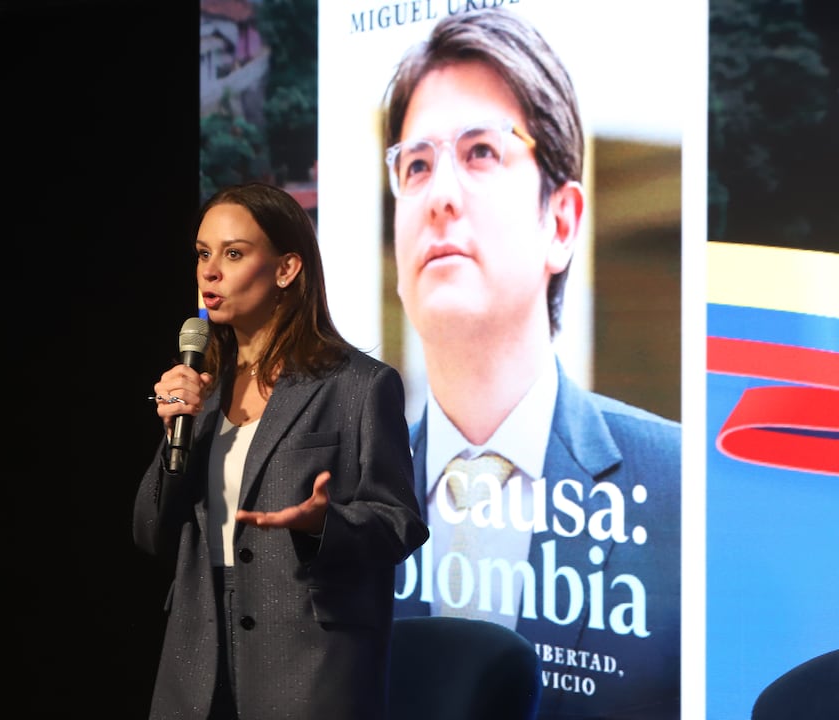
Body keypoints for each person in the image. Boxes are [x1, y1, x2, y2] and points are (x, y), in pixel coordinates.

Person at [382, 8, 681, 720]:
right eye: (416, 165)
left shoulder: (683, 495)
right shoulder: (336, 507)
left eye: (481, 152)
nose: (440, 195)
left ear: (562, 222)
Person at [133, 182, 429, 720]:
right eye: (203, 253)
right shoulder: (203, 387)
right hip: (197, 659)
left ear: (287, 269)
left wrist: (323, 524)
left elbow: (399, 523)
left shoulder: (358, 385)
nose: (210, 271)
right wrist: (174, 426)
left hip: (306, 666)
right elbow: (150, 531)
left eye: (234, 253)